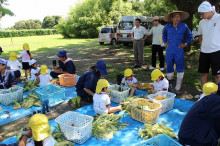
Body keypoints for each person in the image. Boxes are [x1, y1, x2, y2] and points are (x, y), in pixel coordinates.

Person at [163, 11, 193, 94]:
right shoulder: (167, 26)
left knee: (180, 66)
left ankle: (178, 87)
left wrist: (185, 44)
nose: (177, 18)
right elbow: (164, 35)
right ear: (172, 18)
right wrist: (165, 42)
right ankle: (171, 86)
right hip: (169, 49)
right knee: (169, 66)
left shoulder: (184, 26)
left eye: (179, 17)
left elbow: (190, 36)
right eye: (175, 17)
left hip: (179, 49)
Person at [197, 1, 220, 87]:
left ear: (208, 11)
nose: (201, 16)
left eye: (202, 14)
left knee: (217, 75)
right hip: (204, 51)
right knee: (203, 73)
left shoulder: (218, 18)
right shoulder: (201, 22)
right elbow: (200, 35)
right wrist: (201, 47)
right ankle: (204, 93)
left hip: (217, 51)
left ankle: (218, 95)